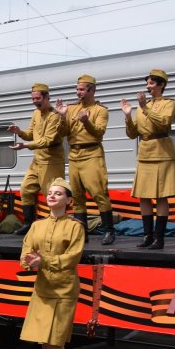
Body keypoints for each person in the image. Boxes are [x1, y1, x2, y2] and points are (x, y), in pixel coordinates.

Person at [19, 178, 85, 349]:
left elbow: (72, 258)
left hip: (63, 290)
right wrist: (29, 262)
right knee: (43, 340)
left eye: (58, 194)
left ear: (69, 201)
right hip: (43, 288)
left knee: (55, 340)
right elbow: (26, 251)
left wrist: (44, 261)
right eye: (50, 193)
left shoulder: (75, 227)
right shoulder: (37, 225)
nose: (52, 196)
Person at [121, 69, 175, 250]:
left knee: (161, 196)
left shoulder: (168, 103)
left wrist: (145, 107)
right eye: (147, 83)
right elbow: (132, 134)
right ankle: (148, 236)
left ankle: (159, 239)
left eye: (151, 83)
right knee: (143, 196)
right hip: (145, 153)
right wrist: (128, 116)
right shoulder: (141, 107)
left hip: (162, 152)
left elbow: (163, 123)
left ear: (161, 85)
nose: (148, 86)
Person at [56, 75, 115, 245]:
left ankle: (109, 231)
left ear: (92, 90)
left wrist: (86, 121)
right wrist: (62, 116)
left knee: (99, 193)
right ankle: (82, 233)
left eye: (81, 89)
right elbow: (62, 133)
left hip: (92, 153)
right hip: (74, 155)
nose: (78, 92)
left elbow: (99, 132)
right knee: (77, 196)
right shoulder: (71, 109)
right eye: (77, 89)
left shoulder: (100, 110)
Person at [7, 83, 65, 235]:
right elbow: (31, 134)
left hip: (51, 161)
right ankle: (28, 224)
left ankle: (57, 226)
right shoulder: (36, 113)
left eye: (38, 98)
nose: (34, 101)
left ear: (47, 97)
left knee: (52, 194)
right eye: (33, 99)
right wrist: (19, 132)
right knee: (26, 189)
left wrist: (25, 145)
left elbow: (48, 140)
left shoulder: (54, 116)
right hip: (37, 160)